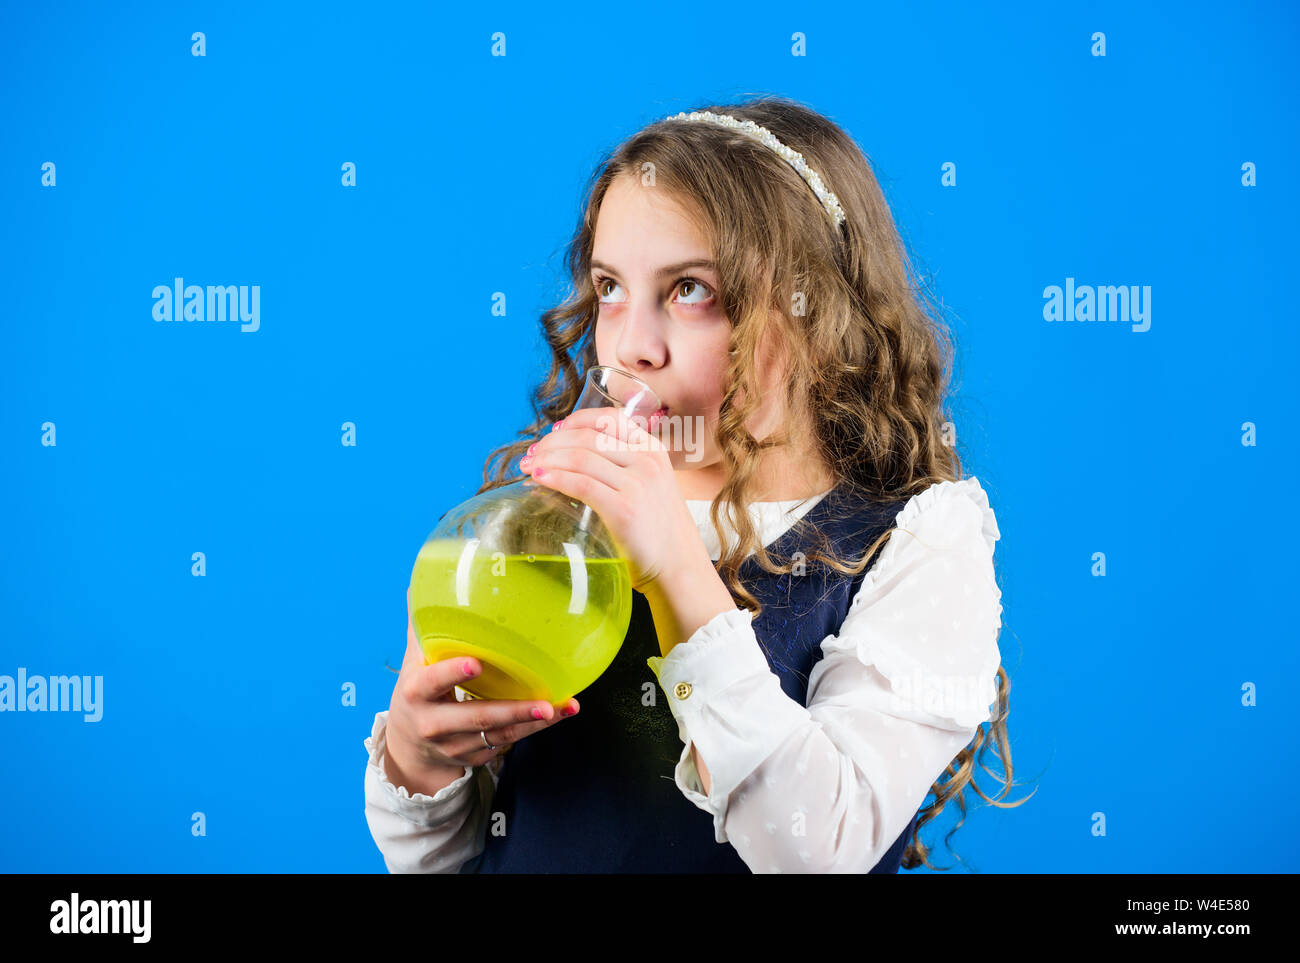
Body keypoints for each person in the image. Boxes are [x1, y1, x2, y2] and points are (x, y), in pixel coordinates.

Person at [364, 95, 1022, 873]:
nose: (632, 346)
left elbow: (818, 848)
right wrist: (420, 760)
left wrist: (678, 571)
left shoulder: (919, 540)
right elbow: (456, 859)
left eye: (690, 291)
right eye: (610, 288)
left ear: (817, 315)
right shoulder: (558, 524)